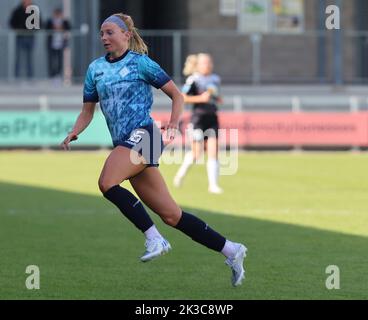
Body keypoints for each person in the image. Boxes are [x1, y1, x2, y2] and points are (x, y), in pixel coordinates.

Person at [61, 13, 247, 287]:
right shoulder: (95, 69)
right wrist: (76, 130)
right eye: (101, 33)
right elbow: (87, 111)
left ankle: (154, 238)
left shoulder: (141, 63)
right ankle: (232, 250)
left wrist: (172, 125)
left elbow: (177, 94)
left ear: (126, 34)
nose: (104, 38)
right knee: (172, 215)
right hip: (125, 143)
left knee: (107, 182)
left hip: (146, 136)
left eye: (110, 32)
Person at [174, 53, 224, 194]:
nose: (207, 65)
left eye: (209, 62)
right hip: (198, 120)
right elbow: (183, 97)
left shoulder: (215, 79)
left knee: (213, 151)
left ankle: (213, 185)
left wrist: (218, 99)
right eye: (204, 63)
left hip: (212, 119)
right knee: (197, 154)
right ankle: (181, 174)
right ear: (198, 65)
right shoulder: (194, 79)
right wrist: (200, 98)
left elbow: (217, 96)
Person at [9, 0, 36, 79]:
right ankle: (16, 77)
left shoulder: (34, 10)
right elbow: (12, 23)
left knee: (30, 58)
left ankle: (30, 77)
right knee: (18, 58)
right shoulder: (17, 11)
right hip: (20, 37)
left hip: (30, 37)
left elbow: (39, 23)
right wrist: (19, 28)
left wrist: (32, 29)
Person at [46, 8, 71, 79]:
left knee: (60, 60)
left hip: (61, 44)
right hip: (52, 44)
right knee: (51, 60)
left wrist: (62, 28)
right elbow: (46, 29)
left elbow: (69, 28)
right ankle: (51, 75)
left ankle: (58, 74)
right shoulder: (50, 22)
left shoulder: (65, 22)